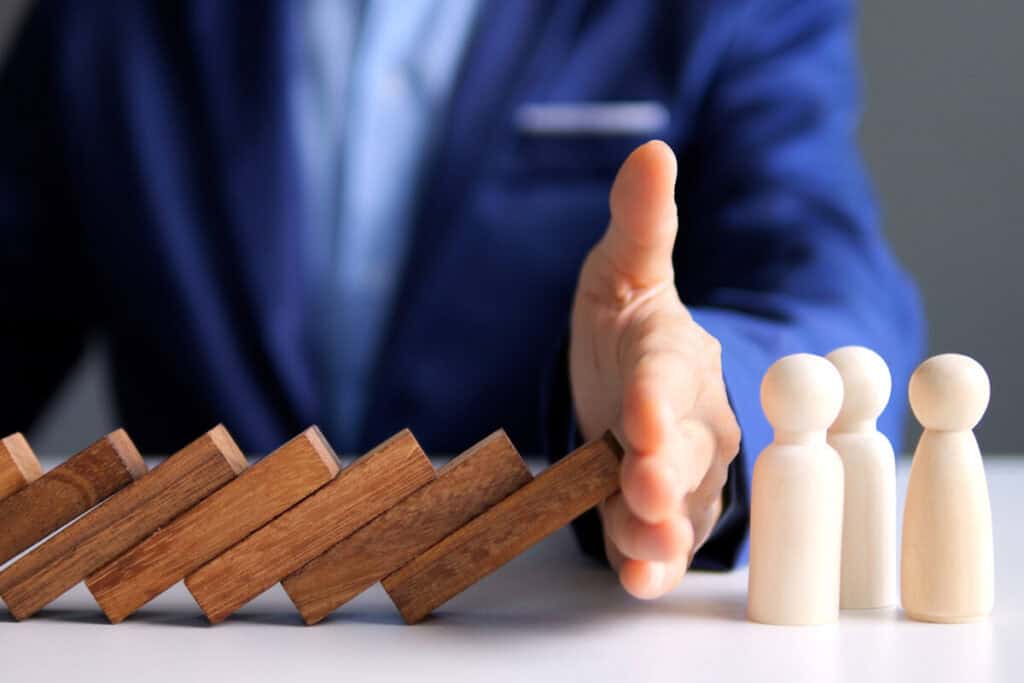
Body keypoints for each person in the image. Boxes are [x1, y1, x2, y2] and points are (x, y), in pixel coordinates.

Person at [0, 0, 923, 600]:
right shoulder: (101, 23)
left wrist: (708, 401)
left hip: (541, 618)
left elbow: (827, 283)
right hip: (194, 630)